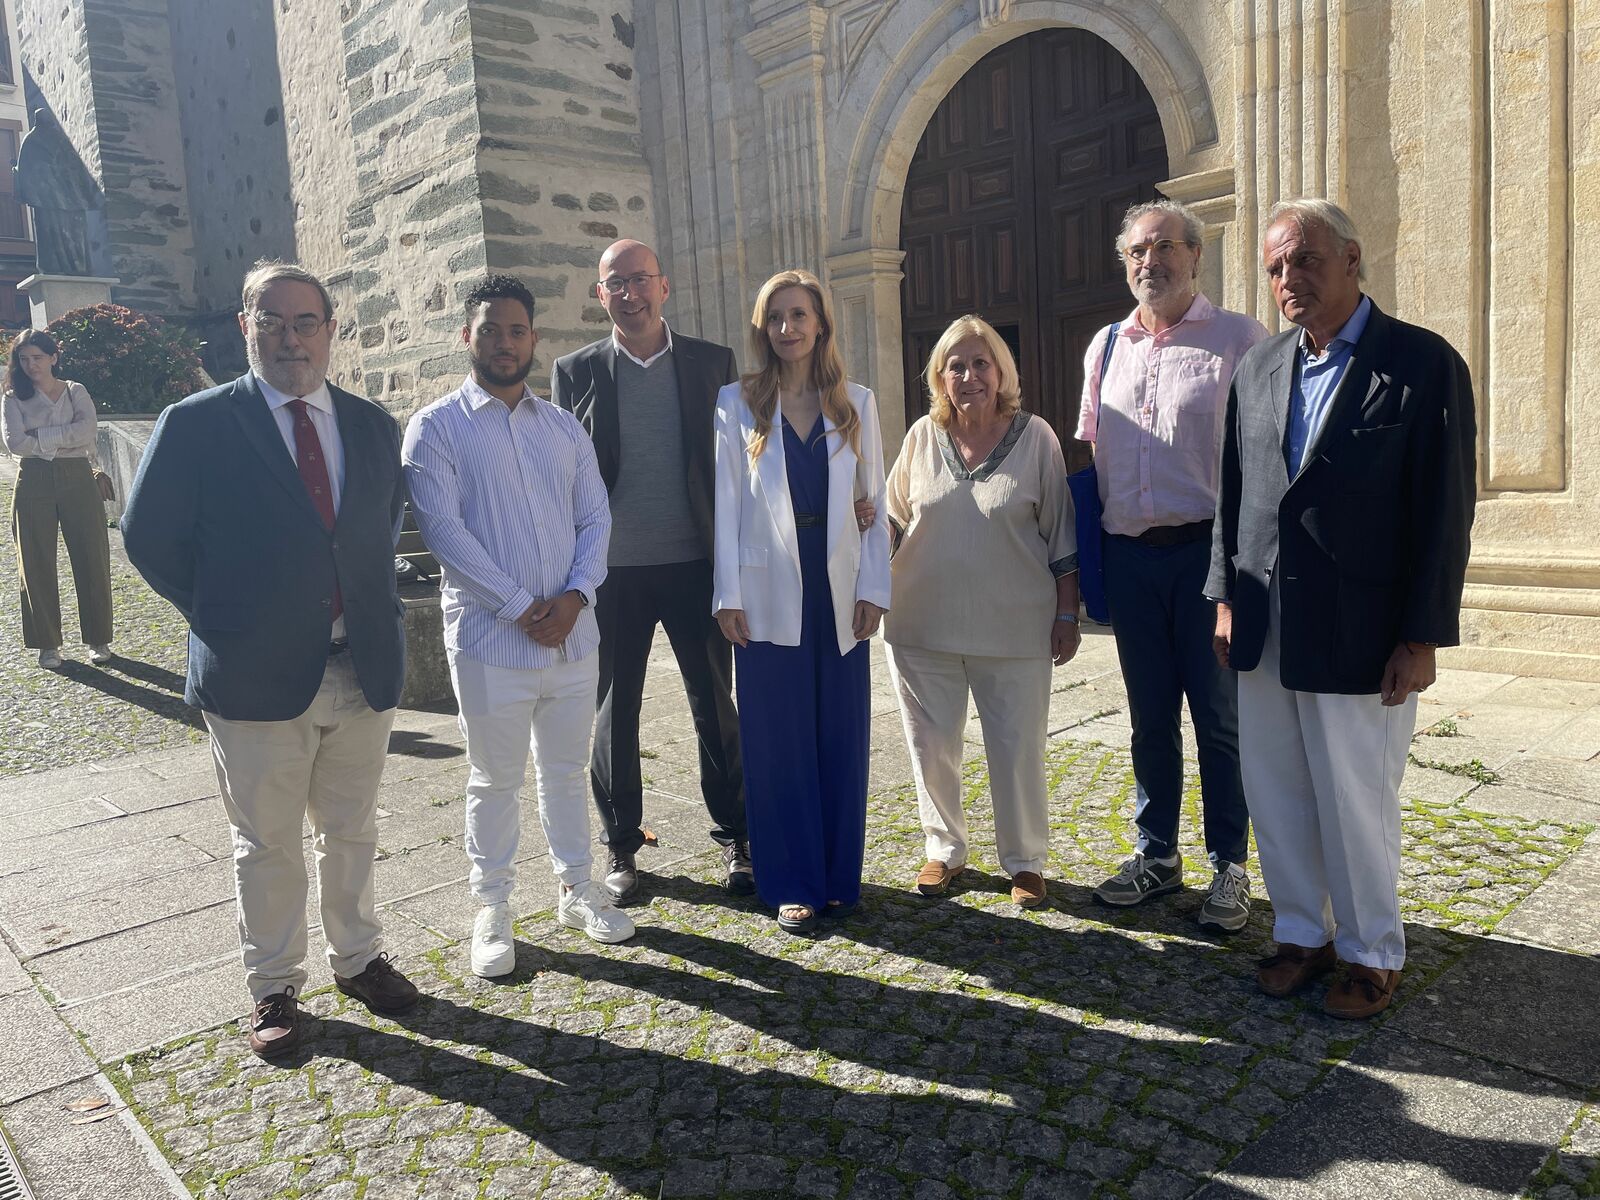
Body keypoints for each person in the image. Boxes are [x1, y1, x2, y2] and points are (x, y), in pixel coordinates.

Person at [121, 260, 420, 1058]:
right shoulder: (197, 423)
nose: (290, 338)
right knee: (268, 842)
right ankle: (276, 989)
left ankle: (357, 959)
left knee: (353, 829)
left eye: (306, 322)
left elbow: (377, 526)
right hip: (253, 675)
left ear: (330, 331)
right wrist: (227, 617)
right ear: (244, 327)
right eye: (272, 321)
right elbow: (149, 537)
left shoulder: (369, 424)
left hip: (361, 664)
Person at [1208, 199, 1476, 1018]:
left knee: (1356, 798)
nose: (1290, 279)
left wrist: (1423, 634)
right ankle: (1301, 933)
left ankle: (1369, 954)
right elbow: (1236, 491)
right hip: (1265, 619)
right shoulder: (1258, 368)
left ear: (1352, 259)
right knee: (1278, 786)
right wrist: (1224, 596)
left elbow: (1445, 508)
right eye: (1278, 267)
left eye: (1306, 261)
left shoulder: (1422, 364)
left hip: (1362, 627)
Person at [404, 275, 633, 976]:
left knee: (565, 772)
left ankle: (576, 887)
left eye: (516, 330)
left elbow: (595, 517)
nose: (504, 342)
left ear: (533, 339)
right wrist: (517, 608)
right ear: (465, 336)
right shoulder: (436, 427)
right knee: (493, 779)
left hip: (572, 636)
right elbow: (444, 532)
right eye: (489, 329)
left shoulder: (563, 428)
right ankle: (494, 907)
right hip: (490, 642)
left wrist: (575, 596)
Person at [1075, 200, 1267, 932]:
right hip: (1131, 558)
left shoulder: (1239, 339)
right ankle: (1157, 855)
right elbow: (1095, 454)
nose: (1148, 262)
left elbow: (1257, 461)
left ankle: (1230, 866)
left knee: (1218, 720)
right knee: (1149, 718)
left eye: (1162, 248)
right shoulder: (1105, 345)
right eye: (1135, 253)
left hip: (1205, 557)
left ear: (1196, 255)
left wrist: (1239, 577)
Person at [551, 239, 750, 905]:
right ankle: (622, 845)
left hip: (696, 562)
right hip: (612, 573)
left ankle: (736, 836)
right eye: (616, 284)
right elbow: (565, 482)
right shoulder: (573, 370)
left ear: (664, 287)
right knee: (615, 711)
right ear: (600, 294)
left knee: (714, 704)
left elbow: (738, 465)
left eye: (641, 280)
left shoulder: (710, 363)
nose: (630, 294)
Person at [712, 268, 890, 934]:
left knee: (839, 734)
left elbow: (872, 500)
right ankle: (789, 879)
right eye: (775, 318)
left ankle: (839, 876)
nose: (787, 328)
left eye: (798, 315)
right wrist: (727, 594)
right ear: (764, 329)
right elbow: (729, 504)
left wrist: (875, 586)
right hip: (765, 590)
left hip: (838, 586)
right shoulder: (737, 403)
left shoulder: (857, 403)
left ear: (821, 324)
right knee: (776, 739)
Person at [885, 315, 1080, 910]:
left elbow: (1061, 534)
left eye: (980, 363)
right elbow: (892, 520)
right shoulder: (922, 436)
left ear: (1001, 372)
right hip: (922, 624)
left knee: (1018, 747)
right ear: (939, 377)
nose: (968, 376)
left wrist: (1067, 614)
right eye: (955, 366)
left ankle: (1023, 861)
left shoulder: (1037, 436)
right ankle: (943, 849)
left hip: (1015, 626)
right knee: (931, 746)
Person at [3, 330, 114, 669]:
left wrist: (41, 436)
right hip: (32, 479)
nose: (31, 364)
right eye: (24, 359)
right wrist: (62, 438)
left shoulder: (74, 390)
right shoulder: (12, 397)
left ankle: (98, 638)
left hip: (78, 477)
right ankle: (47, 643)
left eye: (37, 357)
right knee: (34, 562)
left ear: (53, 357)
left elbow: (87, 431)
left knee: (91, 556)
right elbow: (15, 444)